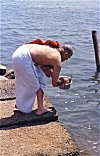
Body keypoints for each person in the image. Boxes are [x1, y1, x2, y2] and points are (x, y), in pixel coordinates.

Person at [12, 39, 73, 115]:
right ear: (66, 54)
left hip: (21, 51)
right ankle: (22, 106)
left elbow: (43, 69)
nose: (67, 60)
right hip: (23, 57)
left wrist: (55, 76)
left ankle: (40, 108)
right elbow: (55, 83)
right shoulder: (57, 59)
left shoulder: (52, 49)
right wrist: (63, 80)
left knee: (41, 80)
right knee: (34, 85)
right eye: (68, 57)